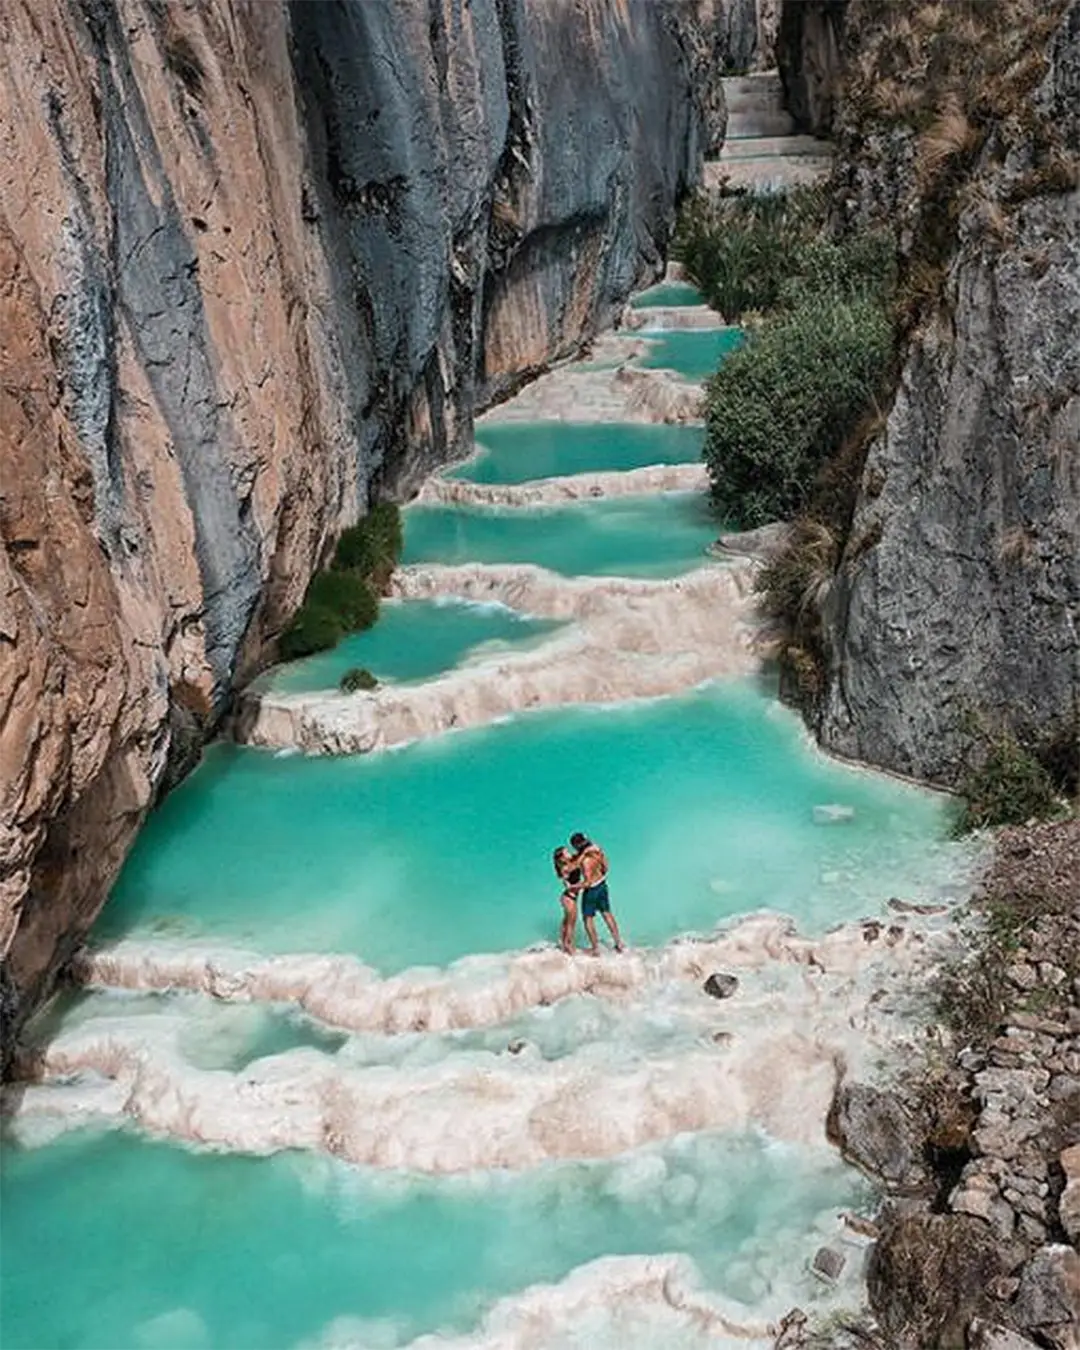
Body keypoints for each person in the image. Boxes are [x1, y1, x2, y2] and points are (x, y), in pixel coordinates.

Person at [569, 831, 624, 956]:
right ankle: (619, 944)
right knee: (607, 914)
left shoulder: (585, 862)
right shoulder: (597, 850)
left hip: (592, 890)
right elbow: (606, 867)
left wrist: (573, 888)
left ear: (576, 845)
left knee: (588, 919)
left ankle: (595, 949)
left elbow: (587, 882)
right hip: (602, 885)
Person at [552, 847, 583, 954]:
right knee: (571, 923)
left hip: (571, 898)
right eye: (566, 852)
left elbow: (579, 856)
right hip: (569, 898)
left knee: (566, 921)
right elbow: (568, 886)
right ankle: (568, 946)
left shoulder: (571, 862)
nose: (569, 852)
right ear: (562, 857)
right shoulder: (565, 868)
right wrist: (584, 885)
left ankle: (564, 943)